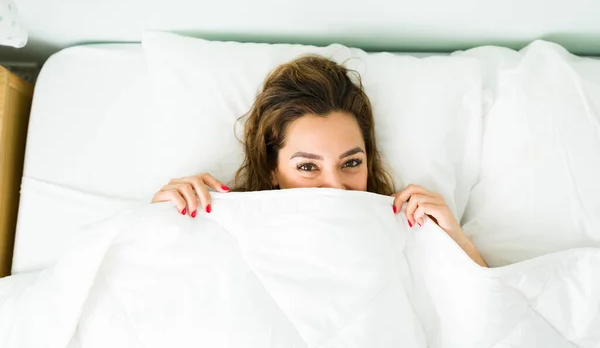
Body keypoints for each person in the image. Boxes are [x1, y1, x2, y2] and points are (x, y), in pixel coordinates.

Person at [152, 55, 487, 267]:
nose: (336, 187)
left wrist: (456, 241)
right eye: (308, 167)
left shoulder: (405, 233)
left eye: (351, 162)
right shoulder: (227, 232)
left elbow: (487, 324)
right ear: (272, 168)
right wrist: (158, 221)